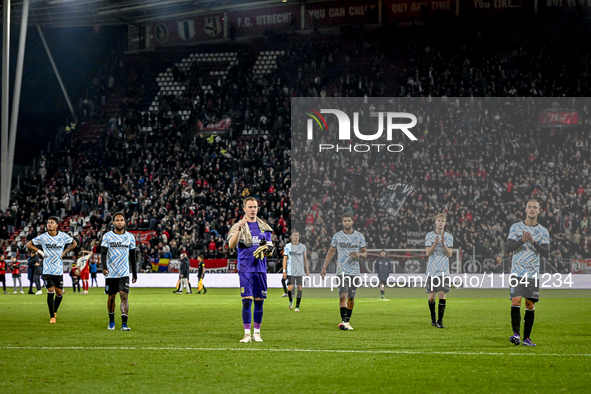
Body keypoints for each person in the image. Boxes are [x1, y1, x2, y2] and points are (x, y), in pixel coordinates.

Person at [227, 197, 274, 343]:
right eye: (250, 207)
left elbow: (270, 250)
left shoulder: (264, 227)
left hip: (260, 269)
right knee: (246, 301)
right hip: (246, 268)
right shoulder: (238, 226)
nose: (253, 209)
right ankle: (247, 333)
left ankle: (257, 333)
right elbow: (231, 245)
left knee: (259, 301)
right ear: (244, 209)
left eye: (255, 207)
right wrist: (239, 229)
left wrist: (266, 250)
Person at [506, 199, 550, 347]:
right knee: (516, 301)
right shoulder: (516, 227)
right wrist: (521, 241)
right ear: (525, 210)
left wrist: (532, 241)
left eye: (535, 207)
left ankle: (527, 338)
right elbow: (508, 247)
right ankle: (516, 334)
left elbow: (546, 252)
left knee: (530, 304)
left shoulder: (543, 231)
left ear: (539, 211)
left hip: (532, 274)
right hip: (517, 272)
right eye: (530, 207)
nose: (532, 209)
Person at [321, 212, 367, 331]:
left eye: (348, 220)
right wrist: (324, 266)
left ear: (352, 222)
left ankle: (347, 321)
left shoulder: (359, 236)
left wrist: (359, 254)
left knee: (351, 298)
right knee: (343, 295)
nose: (346, 222)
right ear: (342, 223)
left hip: (355, 271)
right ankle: (344, 321)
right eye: (344, 221)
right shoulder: (337, 236)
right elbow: (331, 251)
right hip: (341, 271)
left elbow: (365, 254)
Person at [27, 216, 78, 323]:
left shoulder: (63, 236)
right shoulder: (43, 237)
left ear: (56, 225)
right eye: (48, 223)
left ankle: (55, 311)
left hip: (58, 270)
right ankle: (52, 317)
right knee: (50, 291)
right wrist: (40, 252)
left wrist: (64, 252)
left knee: (59, 293)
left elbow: (74, 243)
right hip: (47, 270)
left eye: (52, 223)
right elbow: (29, 244)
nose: (49, 224)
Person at [101, 212, 137, 331]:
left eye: (121, 220)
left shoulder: (130, 237)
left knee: (124, 295)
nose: (120, 222)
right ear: (113, 222)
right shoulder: (107, 236)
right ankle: (111, 321)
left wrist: (135, 273)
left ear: (125, 222)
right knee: (111, 297)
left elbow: (133, 256)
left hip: (124, 272)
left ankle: (124, 324)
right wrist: (104, 267)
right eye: (117, 220)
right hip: (111, 272)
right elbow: (103, 253)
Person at [425, 213, 453, 329]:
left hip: (444, 270)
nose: (440, 222)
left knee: (442, 294)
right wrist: (435, 243)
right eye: (439, 220)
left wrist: (443, 244)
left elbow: (449, 254)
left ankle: (440, 321)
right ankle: (433, 318)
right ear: (435, 222)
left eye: (442, 221)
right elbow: (428, 253)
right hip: (432, 270)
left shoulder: (449, 236)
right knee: (432, 296)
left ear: (445, 223)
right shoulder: (429, 236)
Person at [282, 230, 309, 311]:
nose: (296, 237)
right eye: (294, 235)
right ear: (291, 237)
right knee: (290, 288)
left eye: (297, 235)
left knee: (300, 288)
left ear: (299, 237)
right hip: (290, 271)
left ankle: (297, 306)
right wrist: (284, 271)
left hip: (300, 271)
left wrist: (307, 270)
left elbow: (305, 259)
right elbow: (285, 258)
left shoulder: (303, 247)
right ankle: (291, 301)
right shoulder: (287, 246)